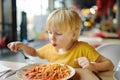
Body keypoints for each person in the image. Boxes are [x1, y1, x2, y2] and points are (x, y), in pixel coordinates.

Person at [7, 8, 114, 73]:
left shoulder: (83, 49)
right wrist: (22, 45)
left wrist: (93, 66)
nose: (52, 37)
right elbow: (34, 52)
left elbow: (109, 64)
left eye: (58, 34)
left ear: (74, 34)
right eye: (49, 32)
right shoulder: (50, 48)